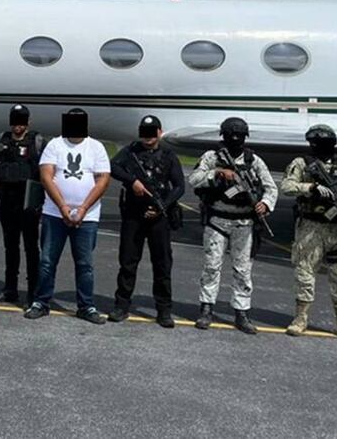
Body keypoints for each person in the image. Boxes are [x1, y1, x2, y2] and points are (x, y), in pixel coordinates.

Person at [280, 124, 337, 343]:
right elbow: (286, 186)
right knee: (304, 273)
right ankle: (301, 318)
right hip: (310, 228)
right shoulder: (301, 165)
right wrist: (309, 188)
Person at [188, 116, 277, 334]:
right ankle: (206, 308)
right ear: (223, 136)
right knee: (211, 266)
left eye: (239, 137)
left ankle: (241, 311)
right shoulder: (212, 157)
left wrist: (265, 204)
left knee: (243, 270)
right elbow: (194, 180)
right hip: (217, 220)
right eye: (231, 136)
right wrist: (217, 173)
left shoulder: (254, 161)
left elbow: (271, 187)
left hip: (244, 223)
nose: (235, 140)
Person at [24, 108, 111, 324]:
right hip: (54, 213)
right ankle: (41, 302)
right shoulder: (55, 145)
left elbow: (103, 180)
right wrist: (63, 207)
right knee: (47, 261)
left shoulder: (96, 147)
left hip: (88, 215)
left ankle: (86, 305)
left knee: (84, 264)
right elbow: (46, 176)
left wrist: (82, 209)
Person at [108, 115, 185, 328]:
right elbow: (113, 167)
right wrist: (132, 181)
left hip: (159, 216)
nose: (148, 138)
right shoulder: (131, 152)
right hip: (134, 215)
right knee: (128, 262)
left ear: (160, 133)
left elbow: (179, 186)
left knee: (162, 264)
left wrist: (162, 208)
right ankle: (121, 306)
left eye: (152, 133)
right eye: (144, 133)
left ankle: (164, 310)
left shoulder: (169, 155)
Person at [0, 104, 46, 306]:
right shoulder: (1, 140)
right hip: (7, 201)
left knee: (31, 248)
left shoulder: (37, 142)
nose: (17, 126)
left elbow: (48, 167)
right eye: (15, 122)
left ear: (28, 122)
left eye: (21, 122)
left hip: (29, 203)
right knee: (10, 247)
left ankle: (33, 291)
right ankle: (10, 288)